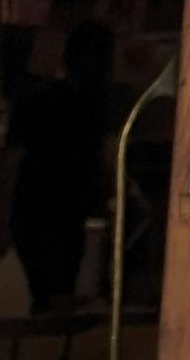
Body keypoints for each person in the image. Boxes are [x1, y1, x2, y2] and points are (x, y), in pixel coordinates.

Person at [8, 19, 119, 312]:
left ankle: (46, 335)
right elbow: (107, 157)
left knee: (46, 290)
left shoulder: (37, 99)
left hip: (33, 201)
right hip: (68, 204)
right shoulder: (96, 104)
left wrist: (0, 209)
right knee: (60, 286)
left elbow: (13, 158)